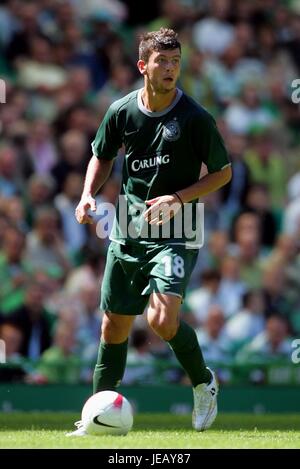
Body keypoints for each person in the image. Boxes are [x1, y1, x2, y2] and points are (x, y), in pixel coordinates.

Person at [67, 28, 231, 436]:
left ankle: (203, 382)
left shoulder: (195, 117)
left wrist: (177, 198)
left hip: (180, 226)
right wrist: (88, 194)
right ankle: (95, 418)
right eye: (163, 62)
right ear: (144, 66)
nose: (171, 69)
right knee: (113, 326)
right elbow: (101, 155)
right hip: (129, 228)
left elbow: (223, 173)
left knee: (161, 320)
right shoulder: (121, 111)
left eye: (176, 62)